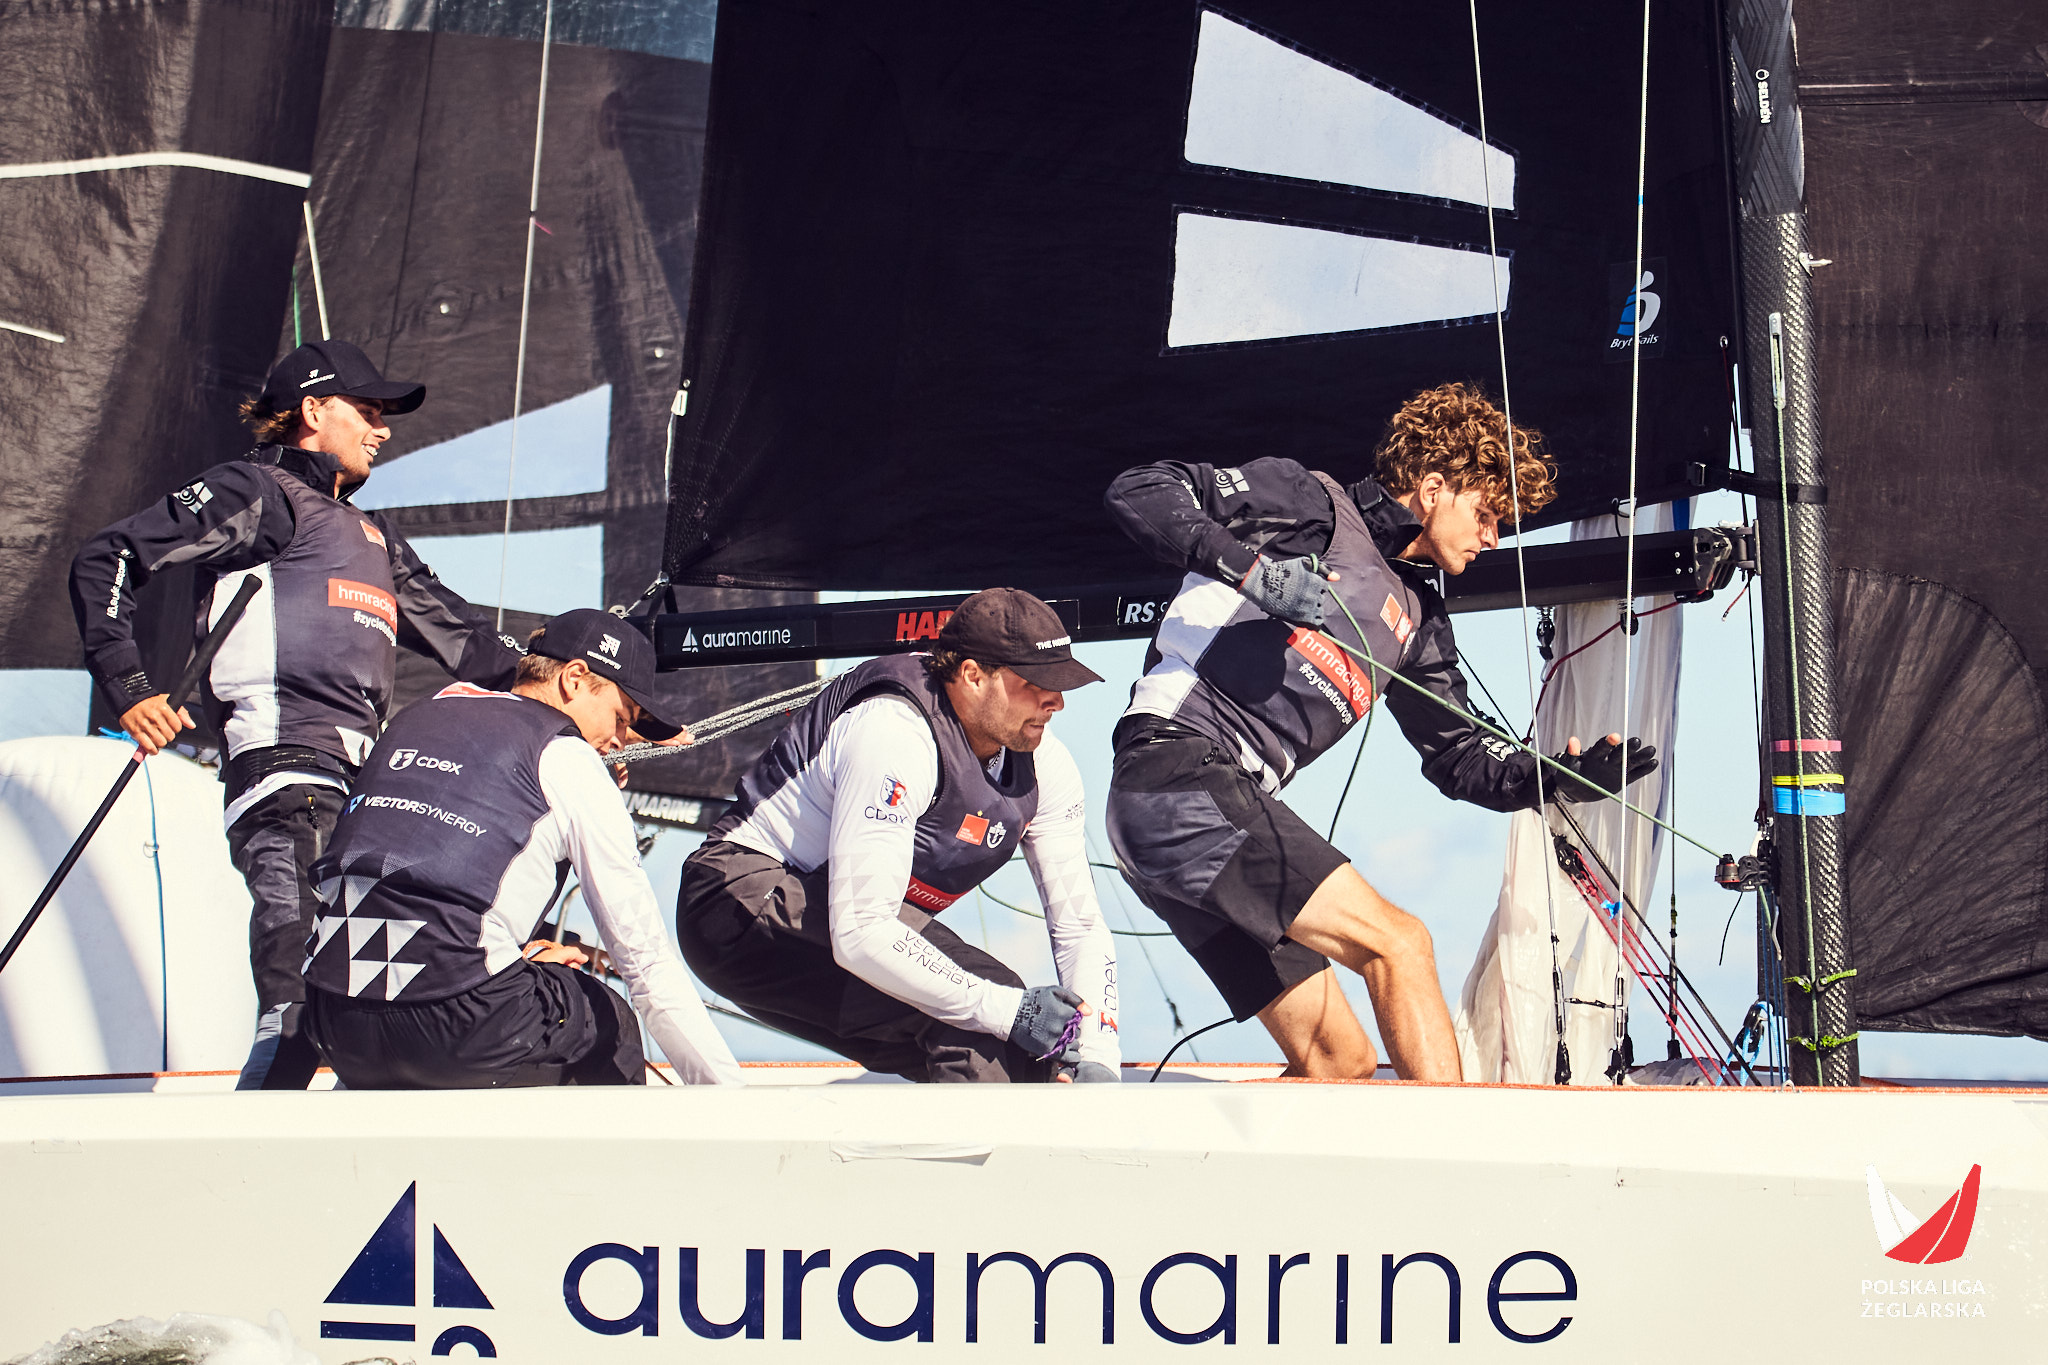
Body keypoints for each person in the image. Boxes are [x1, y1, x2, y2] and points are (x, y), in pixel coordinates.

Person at [1101, 381, 1657, 1083]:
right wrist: (1255, 574)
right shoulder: (1310, 503)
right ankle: (1462, 1149)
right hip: (1175, 770)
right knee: (1401, 944)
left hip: (1202, 810)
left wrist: (1554, 779)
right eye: (1486, 514)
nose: (1493, 537)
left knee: (1340, 1061)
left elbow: (1460, 756)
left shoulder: (1419, 616)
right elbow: (1141, 491)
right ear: (1433, 488)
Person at [67, 339, 522, 1089]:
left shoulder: (375, 537)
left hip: (365, 795)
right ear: (313, 410)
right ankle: (253, 1141)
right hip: (286, 775)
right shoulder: (257, 491)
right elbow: (108, 556)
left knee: (367, 1006)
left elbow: (474, 646)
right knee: (301, 1001)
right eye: (368, 410)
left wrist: (582, 685)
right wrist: (131, 686)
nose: (382, 429)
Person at [676, 588, 1122, 1083]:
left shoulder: (1048, 767)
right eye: (1036, 683)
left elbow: (1078, 925)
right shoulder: (895, 731)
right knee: (992, 1014)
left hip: (843, 927)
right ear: (973, 675)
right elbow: (861, 930)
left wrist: (1098, 1055)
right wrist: (1007, 1011)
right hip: (736, 905)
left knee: (1027, 1052)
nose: (1057, 701)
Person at [301, 609, 742, 1088]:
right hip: (455, 1021)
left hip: (333, 1021)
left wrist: (514, 965)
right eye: (620, 718)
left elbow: (424, 881)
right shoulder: (568, 758)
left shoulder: (417, 716)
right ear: (575, 678)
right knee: (607, 1019)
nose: (619, 741)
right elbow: (645, 961)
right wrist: (731, 1100)